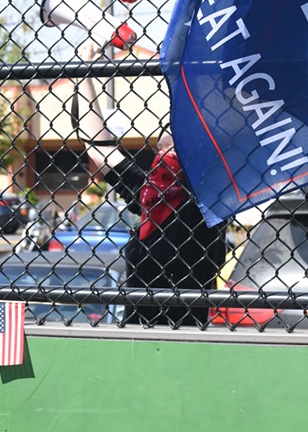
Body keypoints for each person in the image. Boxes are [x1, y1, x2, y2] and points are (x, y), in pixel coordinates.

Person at [75, 40, 227, 328]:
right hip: (138, 340)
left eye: (173, 136)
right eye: (162, 140)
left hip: (188, 343)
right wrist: (85, 69)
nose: (162, 142)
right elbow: (98, 147)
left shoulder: (210, 197)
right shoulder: (150, 195)